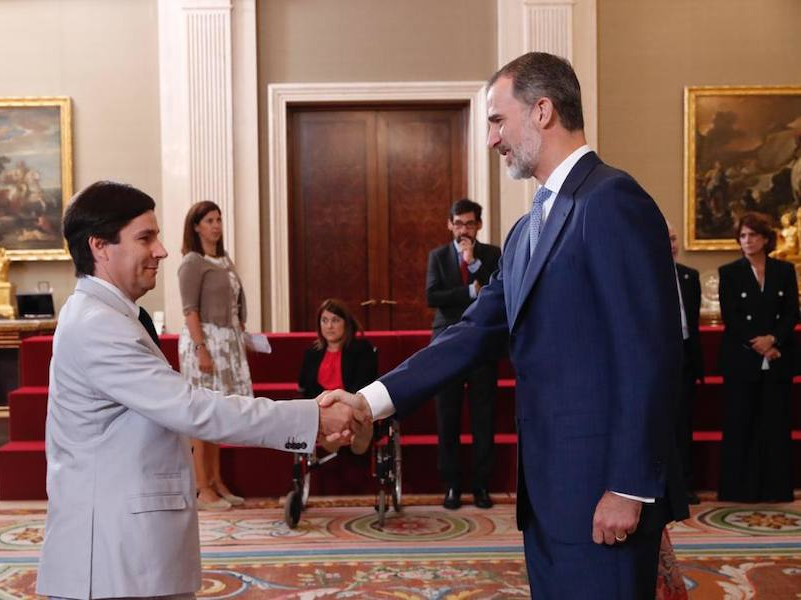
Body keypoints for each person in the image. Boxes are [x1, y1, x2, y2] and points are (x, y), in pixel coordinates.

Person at [321, 52, 687, 599]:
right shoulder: (523, 232)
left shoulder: (611, 200)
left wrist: (629, 487)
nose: (492, 138)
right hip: (548, 495)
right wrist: (368, 400)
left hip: (603, 491)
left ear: (542, 111)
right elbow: (469, 334)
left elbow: (647, 355)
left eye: (497, 119)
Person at [36, 181, 362, 600]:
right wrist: (310, 418)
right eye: (145, 237)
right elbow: (192, 409)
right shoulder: (98, 324)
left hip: (126, 553)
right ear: (101, 246)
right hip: (114, 560)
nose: (162, 250)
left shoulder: (109, 314)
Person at [426, 198, 502, 509]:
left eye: (469, 224)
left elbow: (497, 291)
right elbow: (433, 296)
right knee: (448, 417)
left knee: (483, 418)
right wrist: (471, 292)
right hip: (447, 343)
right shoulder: (438, 256)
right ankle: (452, 485)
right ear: (449, 224)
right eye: (458, 224)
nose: (463, 230)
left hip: (481, 343)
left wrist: (472, 264)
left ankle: (481, 485)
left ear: (479, 225)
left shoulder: (492, 254)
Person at [717, 211, 798, 503]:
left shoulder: (784, 271)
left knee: (775, 424)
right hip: (742, 359)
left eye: (752, 235)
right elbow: (731, 316)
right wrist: (760, 344)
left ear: (765, 238)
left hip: (778, 358)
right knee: (741, 424)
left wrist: (773, 339)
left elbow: (791, 312)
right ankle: (740, 490)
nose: (747, 240)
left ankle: (776, 488)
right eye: (742, 236)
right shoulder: (729, 272)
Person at [177, 200, 250, 510]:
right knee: (201, 415)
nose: (216, 225)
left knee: (218, 414)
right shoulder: (192, 262)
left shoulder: (223, 260)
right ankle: (200, 485)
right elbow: (189, 310)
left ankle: (217, 480)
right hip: (204, 341)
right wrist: (201, 349)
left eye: (219, 219)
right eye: (209, 220)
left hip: (227, 341)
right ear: (196, 226)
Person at [298, 298, 377, 455]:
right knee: (320, 416)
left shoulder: (362, 349)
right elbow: (305, 387)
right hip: (324, 409)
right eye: (324, 320)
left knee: (355, 412)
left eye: (335, 320)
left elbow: (364, 385)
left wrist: (345, 408)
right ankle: (336, 437)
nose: (329, 326)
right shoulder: (312, 353)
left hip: (352, 407)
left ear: (346, 323)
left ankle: (354, 437)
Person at [668, 223, 704, 505]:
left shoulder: (690, 277)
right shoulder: (645, 273)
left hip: (685, 357)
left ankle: (685, 484)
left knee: (684, 423)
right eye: (666, 239)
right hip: (658, 359)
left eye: (674, 238)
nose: (672, 244)